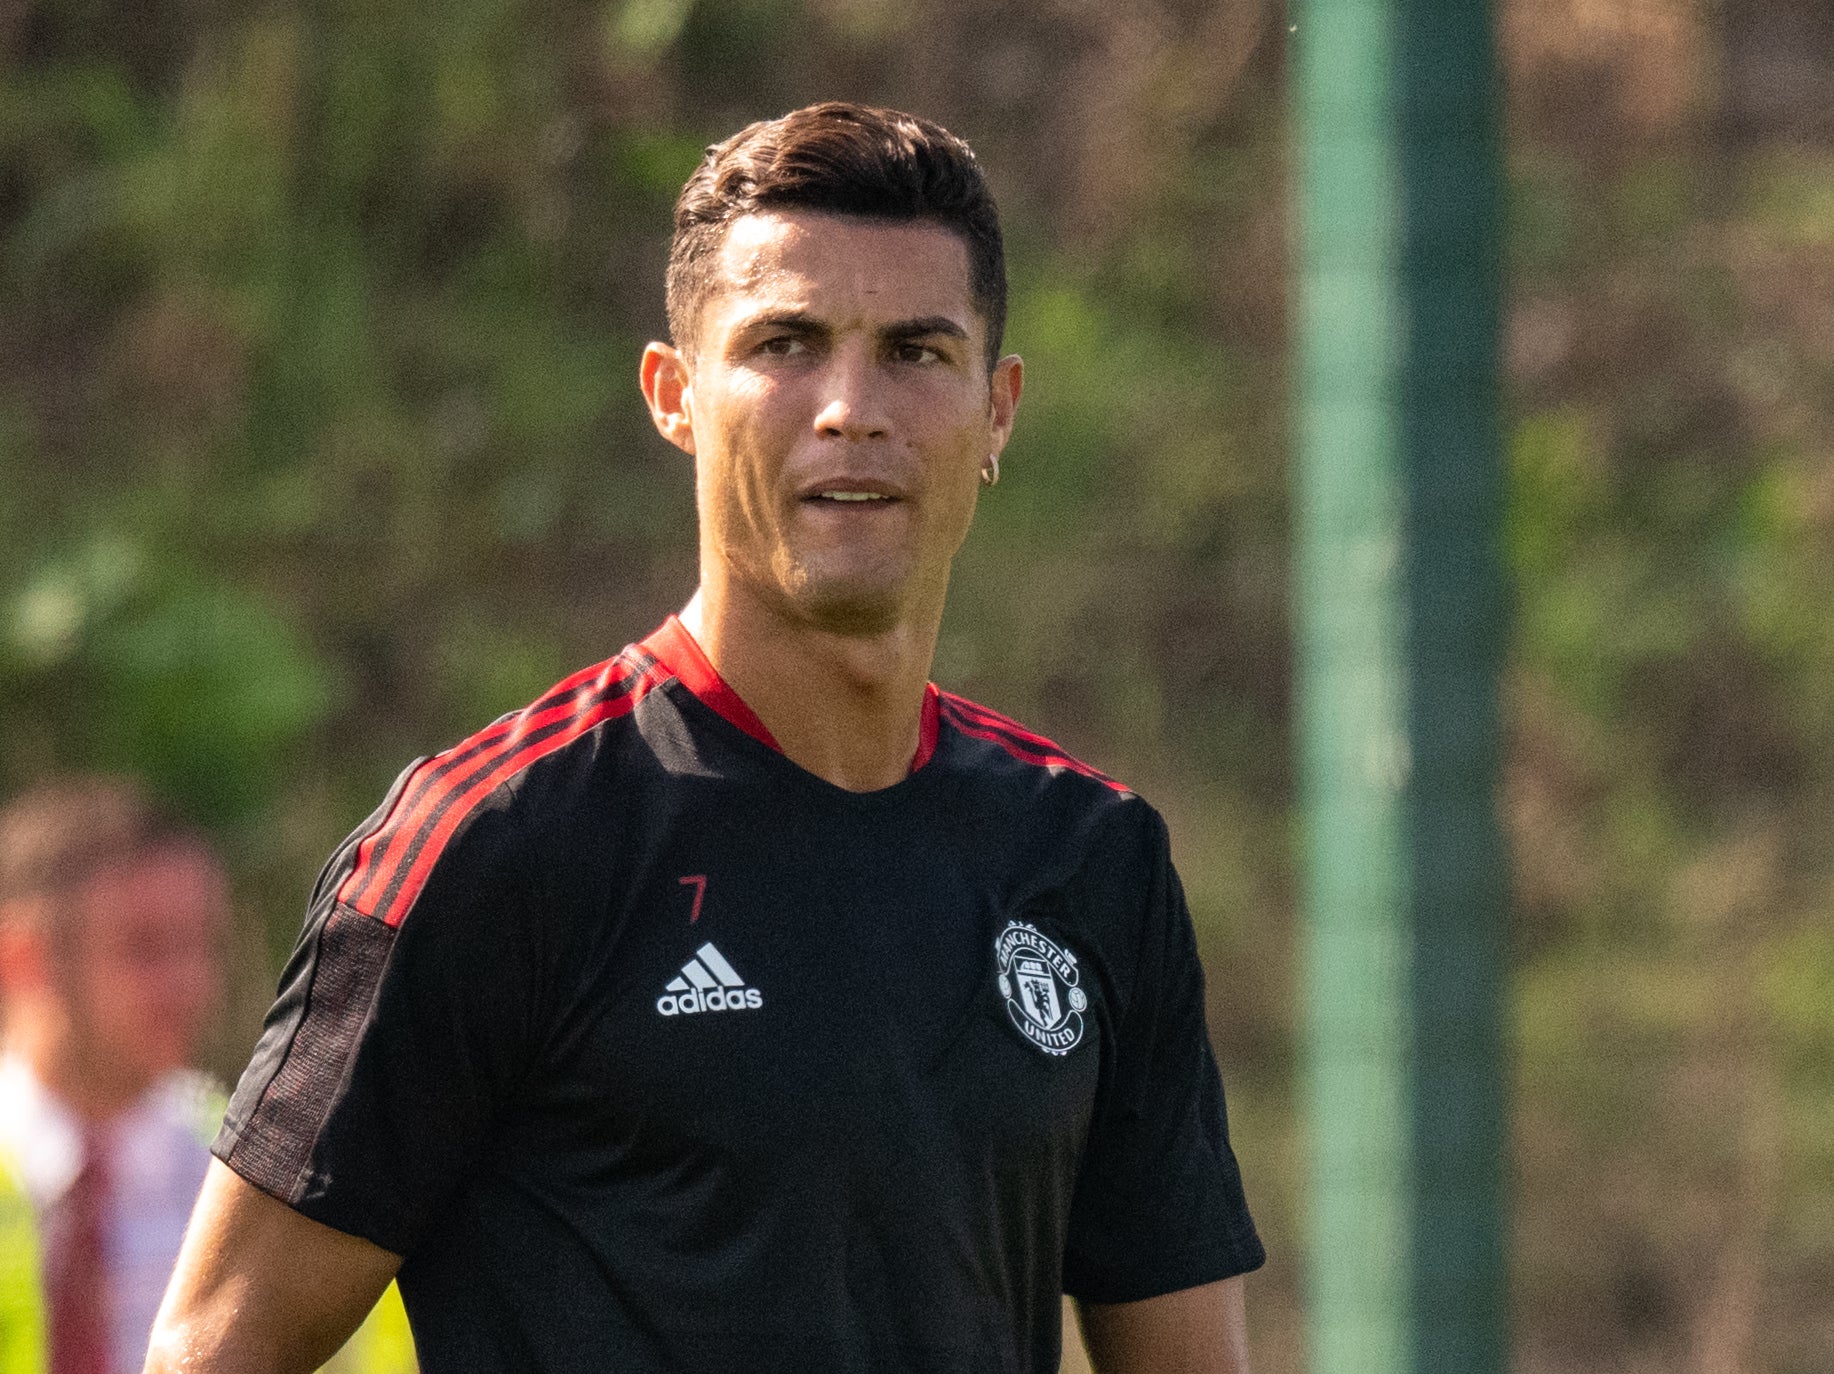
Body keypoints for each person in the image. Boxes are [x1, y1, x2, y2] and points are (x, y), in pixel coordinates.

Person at [148, 102, 1265, 1373]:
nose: (850, 408)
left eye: (916, 351)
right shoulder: (498, 843)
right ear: (675, 395)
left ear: (996, 410)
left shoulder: (1091, 857)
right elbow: (211, 1349)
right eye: (786, 344)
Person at [0, 779, 227, 1374]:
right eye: (144, 948)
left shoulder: (244, 1171)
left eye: (200, 943)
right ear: (24, 958)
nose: (189, 982)